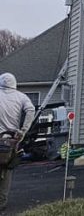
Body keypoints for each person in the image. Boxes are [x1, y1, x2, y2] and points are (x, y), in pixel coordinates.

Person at [0, 73, 34, 212]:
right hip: (12, 141)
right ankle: (1, 203)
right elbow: (31, 110)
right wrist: (23, 131)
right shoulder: (21, 97)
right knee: (6, 171)